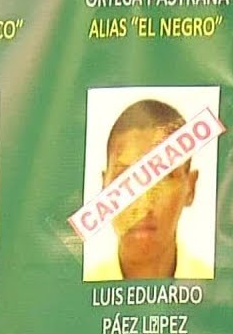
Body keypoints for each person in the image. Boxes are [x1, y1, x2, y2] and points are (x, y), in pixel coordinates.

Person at [85, 99, 210, 281]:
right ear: (104, 187)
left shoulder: (222, 290)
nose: (143, 204)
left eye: (163, 177)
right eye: (125, 179)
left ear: (190, 188)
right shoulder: (73, 292)